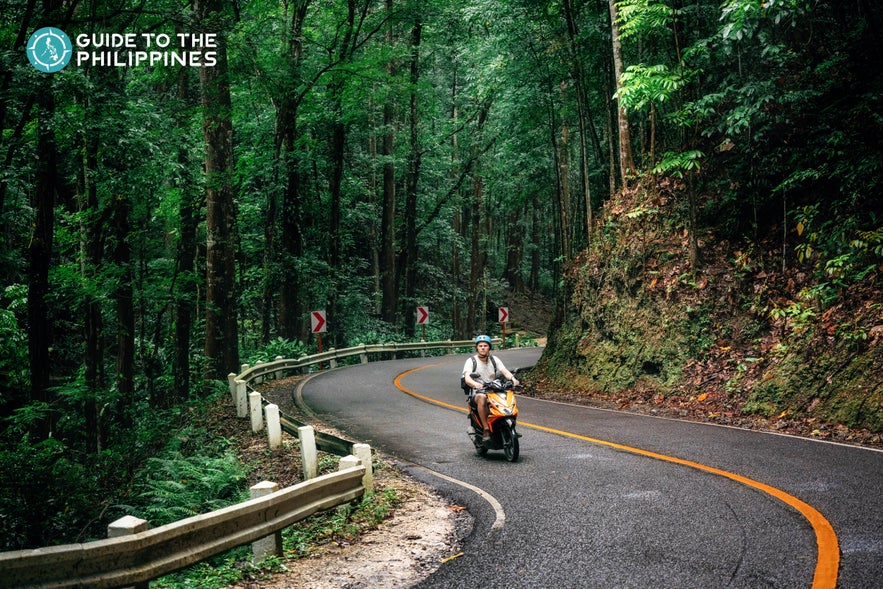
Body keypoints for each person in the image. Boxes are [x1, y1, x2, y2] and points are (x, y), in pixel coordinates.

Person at [462, 335, 520, 445]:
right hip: (478, 392)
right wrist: (475, 384)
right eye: (480, 346)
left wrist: (513, 379)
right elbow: (467, 378)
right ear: (477, 348)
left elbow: (505, 371)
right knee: (482, 398)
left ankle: (510, 425)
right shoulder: (471, 361)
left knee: (508, 396)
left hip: (493, 390)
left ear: (489, 347)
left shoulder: (494, 359)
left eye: (485, 346)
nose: (483, 348)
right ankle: (486, 430)